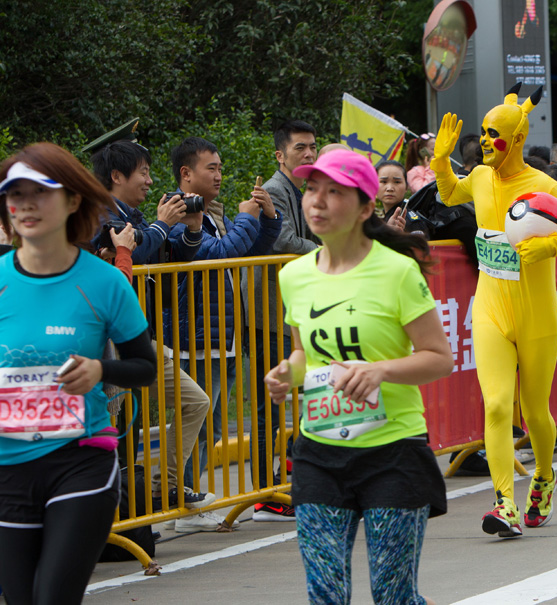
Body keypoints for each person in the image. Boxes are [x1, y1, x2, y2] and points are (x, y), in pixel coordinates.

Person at [264, 149, 452, 605]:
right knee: (325, 595)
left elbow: (438, 358)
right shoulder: (294, 277)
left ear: (366, 208)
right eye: (311, 190)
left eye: (334, 192)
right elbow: (304, 352)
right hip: (319, 451)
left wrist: (381, 370)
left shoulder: (397, 272)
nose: (317, 202)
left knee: (393, 596)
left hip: (392, 452)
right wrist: (286, 373)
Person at [430, 84, 557, 537]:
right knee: (498, 405)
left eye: (494, 134)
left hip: (538, 316)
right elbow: (448, 195)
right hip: (490, 309)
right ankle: (504, 504)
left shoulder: (544, 186)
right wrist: (441, 160)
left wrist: (549, 245)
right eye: (482, 133)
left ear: (517, 139)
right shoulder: (481, 178)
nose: (484, 141)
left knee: (534, 412)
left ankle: (544, 476)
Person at [0, 144, 156, 603]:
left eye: (40, 193)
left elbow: (143, 367)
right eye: (14, 194)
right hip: (8, 469)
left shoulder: (104, 282)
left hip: (80, 461)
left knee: (52, 597)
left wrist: (99, 369)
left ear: (72, 201)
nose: (25, 204)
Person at [85, 121, 216, 520]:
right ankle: (113, 517)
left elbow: (171, 255)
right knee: (111, 429)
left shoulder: (134, 213)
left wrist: (189, 229)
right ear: (116, 176)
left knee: (193, 402)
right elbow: (132, 252)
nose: (149, 180)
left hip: (138, 338)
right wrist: (161, 225)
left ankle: (162, 491)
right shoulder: (100, 213)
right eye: (143, 171)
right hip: (107, 343)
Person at [165, 136, 282, 510]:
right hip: (196, 338)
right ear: (186, 173)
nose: (218, 176)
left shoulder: (211, 212)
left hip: (223, 337)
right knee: (196, 425)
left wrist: (267, 219)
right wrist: (247, 218)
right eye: (210, 168)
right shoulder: (175, 211)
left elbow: (248, 250)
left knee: (211, 427)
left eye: (220, 168)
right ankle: (180, 499)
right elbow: (217, 253)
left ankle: (189, 496)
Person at [242, 119, 319, 522]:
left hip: (283, 312)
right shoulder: (275, 189)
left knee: (285, 399)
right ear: (280, 155)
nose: (308, 154)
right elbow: (285, 240)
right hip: (266, 313)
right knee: (268, 405)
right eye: (300, 148)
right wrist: (328, 250)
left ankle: (276, 482)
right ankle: (263, 492)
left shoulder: (297, 190)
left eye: (313, 147)